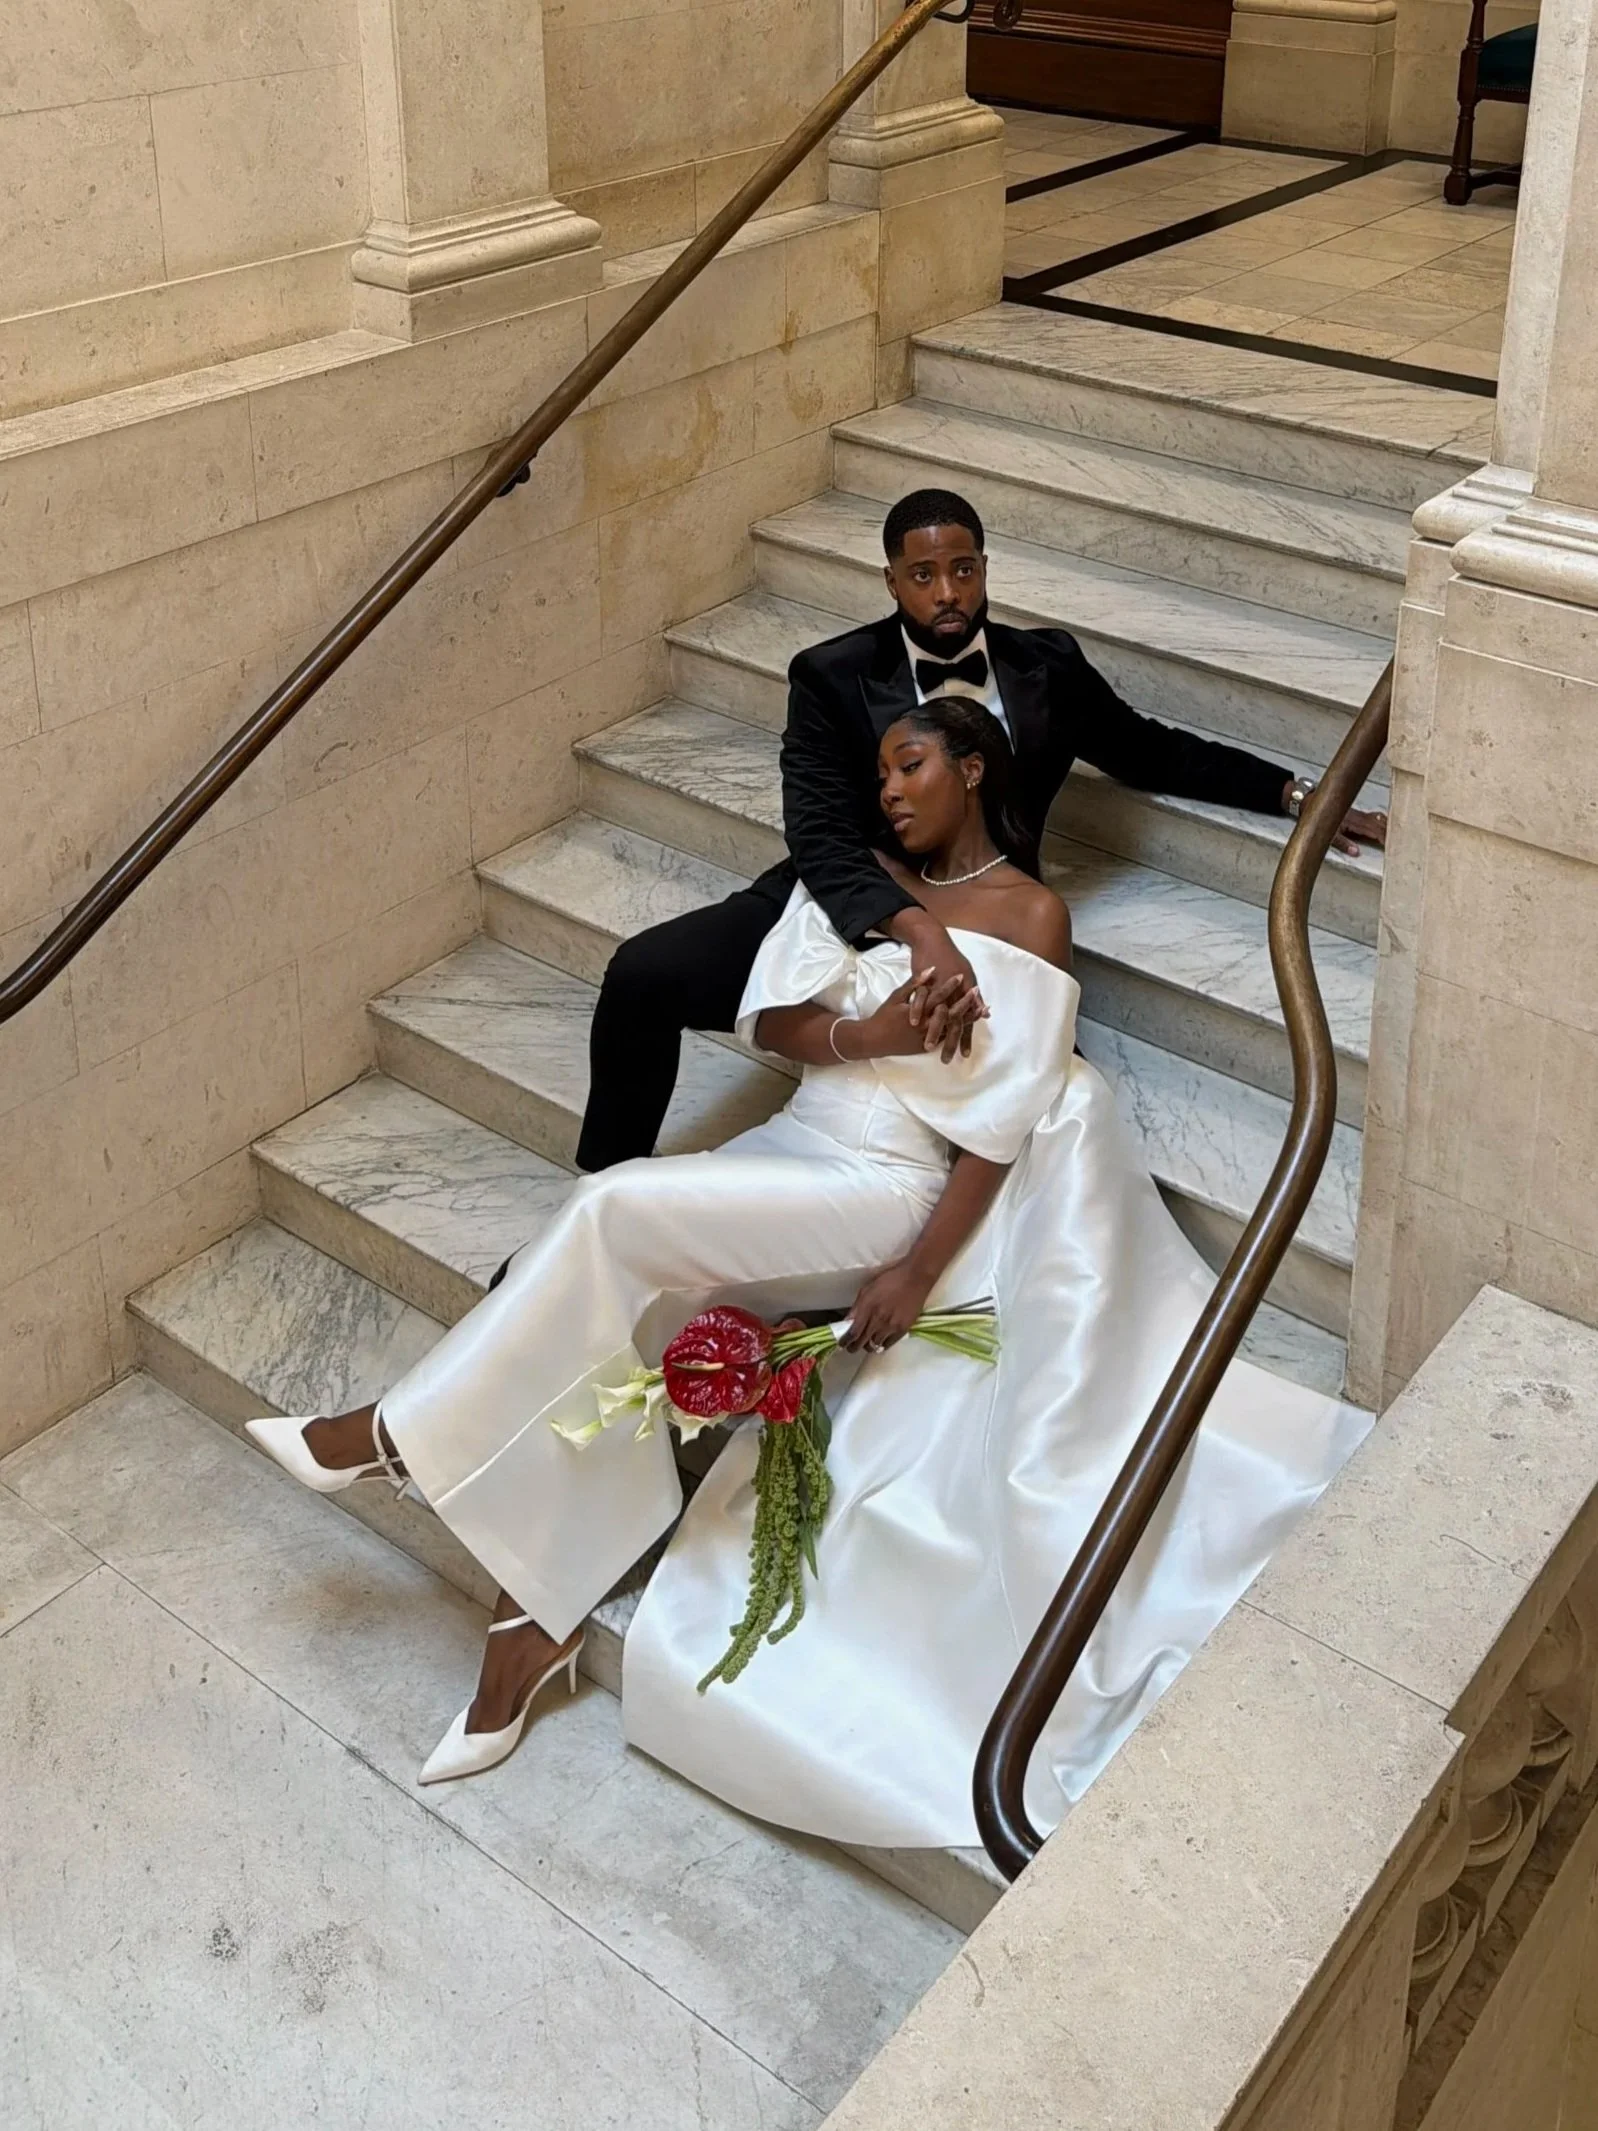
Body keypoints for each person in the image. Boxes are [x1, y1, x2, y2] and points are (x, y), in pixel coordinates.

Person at [247, 697, 1369, 1846]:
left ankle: (392, 1433)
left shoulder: (1029, 914)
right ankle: (528, 1630)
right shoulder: (858, 882)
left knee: (609, 1207)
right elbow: (770, 1026)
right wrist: (864, 1036)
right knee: (616, 1301)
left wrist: (918, 1271)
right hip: (795, 1143)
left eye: (910, 763)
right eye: (880, 770)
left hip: (883, 1187)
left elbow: (1001, 1126)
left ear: (971, 769)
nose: (888, 788)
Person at [574, 485, 1388, 1173]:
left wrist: (1295, 793)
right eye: (923, 576)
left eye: (962, 570)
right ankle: (597, 1199)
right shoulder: (830, 676)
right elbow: (818, 831)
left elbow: (1147, 749)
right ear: (892, 581)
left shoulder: (1047, 667)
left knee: (1040, 1119)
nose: (947, 594)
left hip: (982, 912)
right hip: (847, 897)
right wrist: (913, 927)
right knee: (643, 975)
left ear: (985, 570)